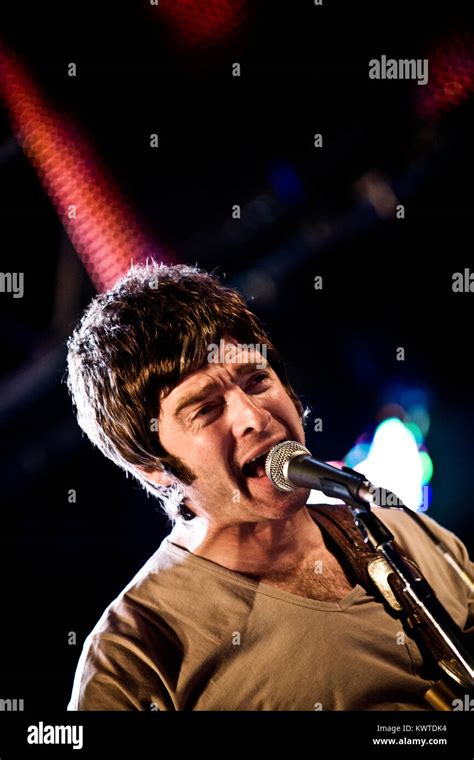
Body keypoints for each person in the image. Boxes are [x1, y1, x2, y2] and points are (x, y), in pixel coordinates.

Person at [66, 261, 473, 711]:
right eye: (205, 409)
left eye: (257, 380)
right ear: (153, 466)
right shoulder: (136, 652)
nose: (254, 417)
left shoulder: (402, 532)